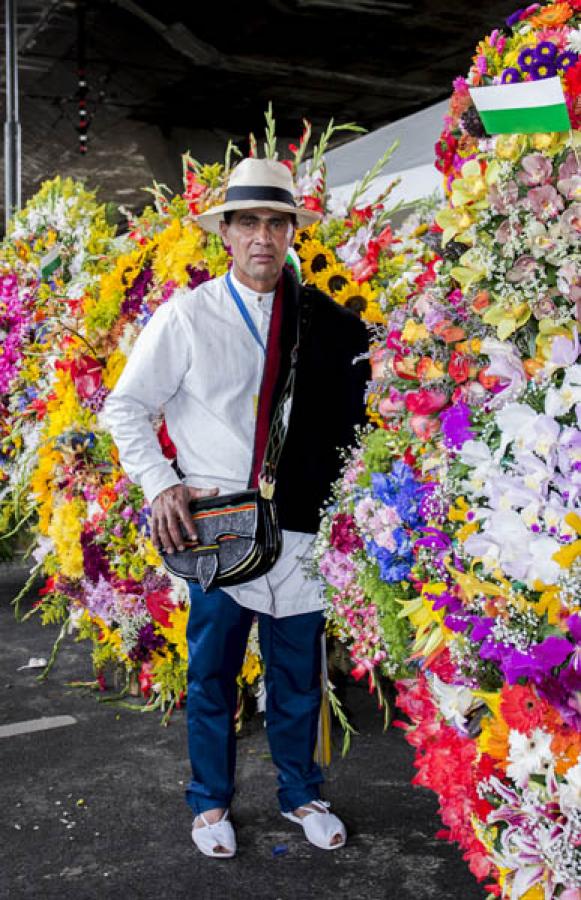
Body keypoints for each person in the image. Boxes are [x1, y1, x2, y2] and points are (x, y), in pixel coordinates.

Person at [103, 157, 370, 858]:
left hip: (303, 527)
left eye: (275, 222)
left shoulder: (322, 324)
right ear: (224, 233)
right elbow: (125, 407)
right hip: (220, 524)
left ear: (291, 232)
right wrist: (161, 483)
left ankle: (301, 793)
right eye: (247, 221)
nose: (262, 235)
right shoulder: (188, 316)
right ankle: (210, 803)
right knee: (212, 672)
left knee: (296, 672)